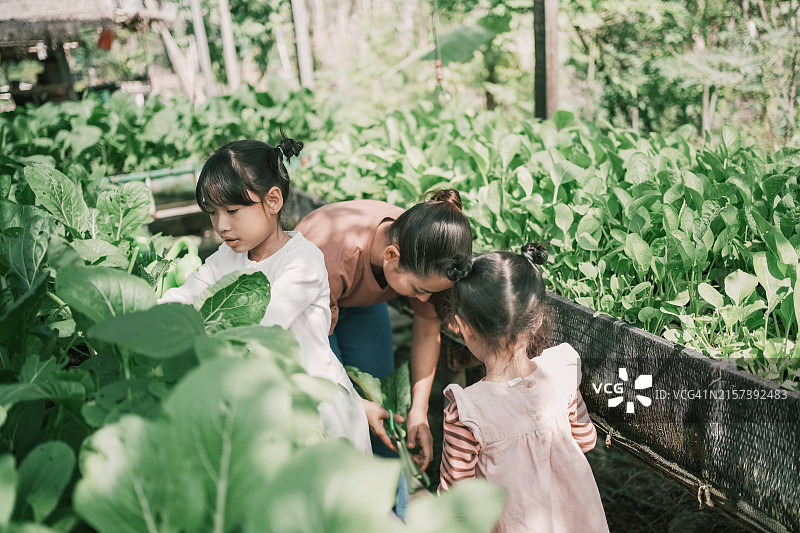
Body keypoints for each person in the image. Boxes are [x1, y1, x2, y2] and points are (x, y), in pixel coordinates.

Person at [158, 138, 370, 454]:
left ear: (273, 200)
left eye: (232, 210)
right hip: (264, 406)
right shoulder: (225, 258)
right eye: (213, 213)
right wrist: (146, 317)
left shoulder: (302, 261)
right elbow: (186, 295)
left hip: (315, 404)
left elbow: (263, 324)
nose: (221, 225)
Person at [294, 189, 473, 471]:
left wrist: (419, 412)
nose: (424, 300)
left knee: (383, 407)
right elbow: (313, 352)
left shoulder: (425, 251)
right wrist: (354, 406)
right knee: (339, 415)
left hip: (361, 298)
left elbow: (427, 332)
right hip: (309, 307)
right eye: (418, 290)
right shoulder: (333, 260)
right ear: (391, 255)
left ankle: (393, 505)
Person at [438, 243, 609, 533]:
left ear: (464, 328)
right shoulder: (562, 371)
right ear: (538, 317)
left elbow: (458, 503)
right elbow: (585, 439)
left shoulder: (466, 412)